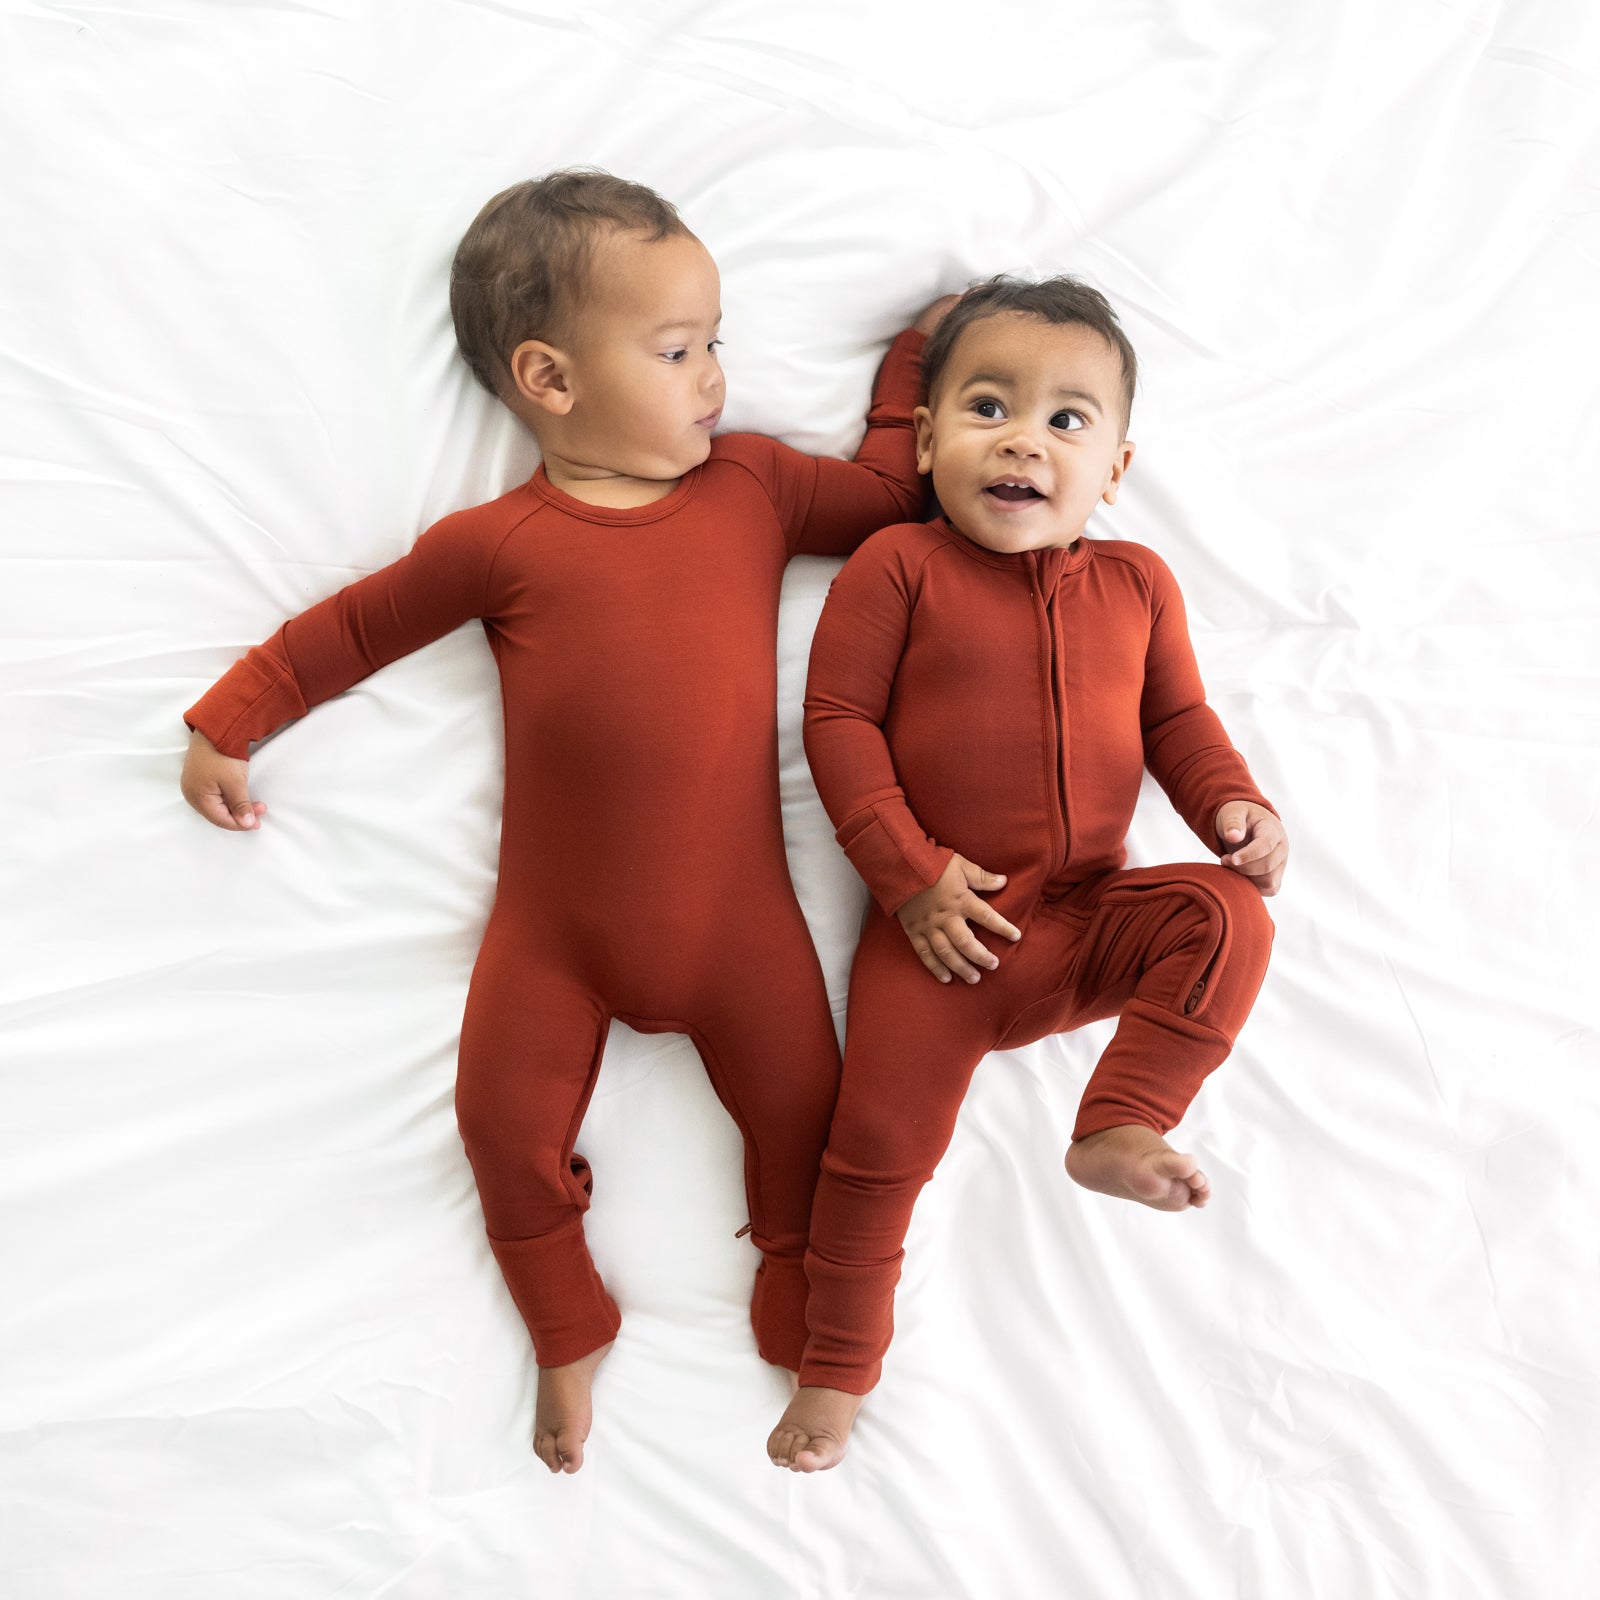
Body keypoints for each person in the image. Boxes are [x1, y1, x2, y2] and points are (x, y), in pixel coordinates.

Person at [180, 167, 952, 1475]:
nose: (713, 374)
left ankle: (795, 1288)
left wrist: (915, 372)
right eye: (675, 349)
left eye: (717, 342)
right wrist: (233, 716)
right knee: (500, 1129)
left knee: (810, 1123)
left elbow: (890, 501)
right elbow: (359, 628)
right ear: (548, 378)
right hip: (553, 939)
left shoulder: (754, 487)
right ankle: (565, 1325)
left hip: (739, 930)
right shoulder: (499, 544)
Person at [768, 275, 1289, 1472]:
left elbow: (1180, 720)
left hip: (1089, 916)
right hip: (939, 940)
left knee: (1230, 916)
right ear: (934, 436)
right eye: (987, 406)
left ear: (1113, 467)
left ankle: (1119, 1122)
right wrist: (906, 874)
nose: (1021, 438)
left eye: (1066, 420)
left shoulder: (1137, 583)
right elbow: (836, 722)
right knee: (870, 1161)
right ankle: (837, 1369)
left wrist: (1230, 803)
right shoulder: (897, 564)